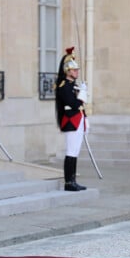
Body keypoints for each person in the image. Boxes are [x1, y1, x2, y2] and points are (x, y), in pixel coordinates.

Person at [55, 47, 88, 191]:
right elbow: (73, 103)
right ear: (67, 71)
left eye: (77, 70)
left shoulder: (73, 86)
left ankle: (73, 180)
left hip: (77, 120)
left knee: (75, 152)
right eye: (74, 70)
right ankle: (68, 182)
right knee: (71, 151)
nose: (77, 72)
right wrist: (82, 94)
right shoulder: (64, 86)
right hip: (70, 121)